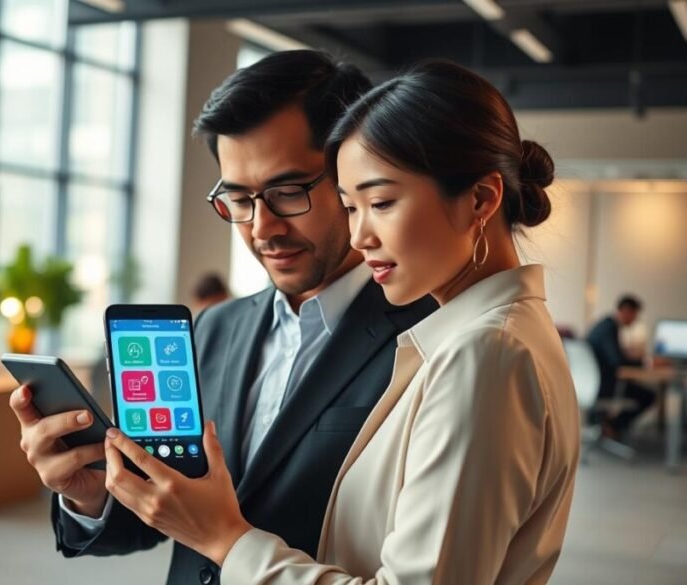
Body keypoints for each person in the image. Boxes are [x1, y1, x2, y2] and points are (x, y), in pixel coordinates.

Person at [101, 60, 581, 584]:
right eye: (352, 207)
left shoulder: (484, 351)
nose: (360, 236)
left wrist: (227, 541)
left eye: (380, 202)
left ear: (481, 199)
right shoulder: (472, 337)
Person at [9, 50, 435, 584]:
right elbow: (174, 512)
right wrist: (90, 497)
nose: (262, 227)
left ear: (352, 178)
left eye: (286, 192)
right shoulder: (214, 328)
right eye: (238, 198)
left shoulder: (427, 342)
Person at [586, 295, 655, 439]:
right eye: (635, 315)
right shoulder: (609, 328)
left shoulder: (604, 325)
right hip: (604, 386)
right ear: (627, 311)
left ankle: (606, 425)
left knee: (637, 388)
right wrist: (648, 362)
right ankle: (613, 426)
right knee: (649, 395)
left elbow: (613, 356)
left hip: (592, 384)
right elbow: (618, 362)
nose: (635, 320)